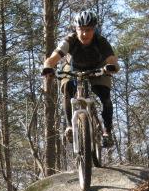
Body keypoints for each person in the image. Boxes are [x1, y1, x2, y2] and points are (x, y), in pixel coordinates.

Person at [41, 10, 119, 147]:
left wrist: (112, 67)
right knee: (67, 87)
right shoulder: (69, 40)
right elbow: (53, 58)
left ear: (94, 29)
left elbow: (112, 59)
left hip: (97, 67)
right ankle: (70, 126)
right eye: (81, 29)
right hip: (73, 67)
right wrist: (48, 67)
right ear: (76, 29)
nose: (84, 34)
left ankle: (107, 132)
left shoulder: (100, 41)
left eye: (88, 30)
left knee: (105, 95)